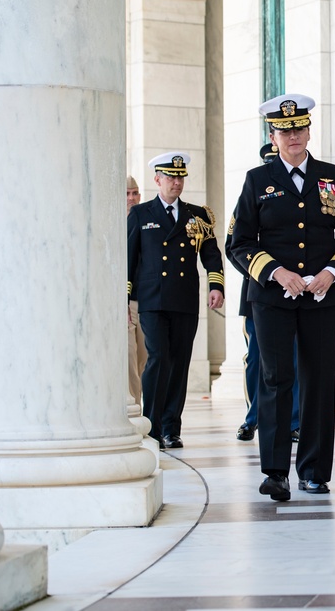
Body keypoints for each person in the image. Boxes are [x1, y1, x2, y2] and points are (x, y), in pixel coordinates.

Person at [229, 94, 335, 499]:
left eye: (299, 129)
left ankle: (314, 471)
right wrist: (275, 271)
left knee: (319, 381)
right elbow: (239, 244)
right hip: (272, 299)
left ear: (309, 131)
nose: (293, 136)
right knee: (275, 379)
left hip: (322, 297)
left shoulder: (332, 176)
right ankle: (275, 472)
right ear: (273, 135)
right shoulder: (257, 180)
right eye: (285, 130)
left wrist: (331, 272)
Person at [127, 153, 225, 449]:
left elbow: (211, 254)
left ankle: (172, 427)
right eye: (170, 177)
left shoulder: (198, 215)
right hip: (152, 300)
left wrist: (215, 285)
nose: (176, 182)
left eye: (180, 177)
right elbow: (130, 259)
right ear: (157, 180)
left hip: (184, 299)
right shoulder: (141, 214)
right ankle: (153, 425)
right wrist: (126, 297)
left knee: (179, 362)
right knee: (157, 359)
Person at [227, 143, 301, 444]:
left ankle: (294, 420)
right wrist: (264, 273)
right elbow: (235, 245)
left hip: (298, 291)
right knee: (257, 361)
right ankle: (252, 417)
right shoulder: (255, 188)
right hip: (260, 291)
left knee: (293, 360)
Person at [126, 175, 147, 407]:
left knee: (142, 359)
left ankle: (139, 406)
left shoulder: (145, 219)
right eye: (127, 194)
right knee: (128, 357)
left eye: (135, 193)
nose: (132, 198)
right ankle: (133, 408)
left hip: (143, 300)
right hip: (121, 301)